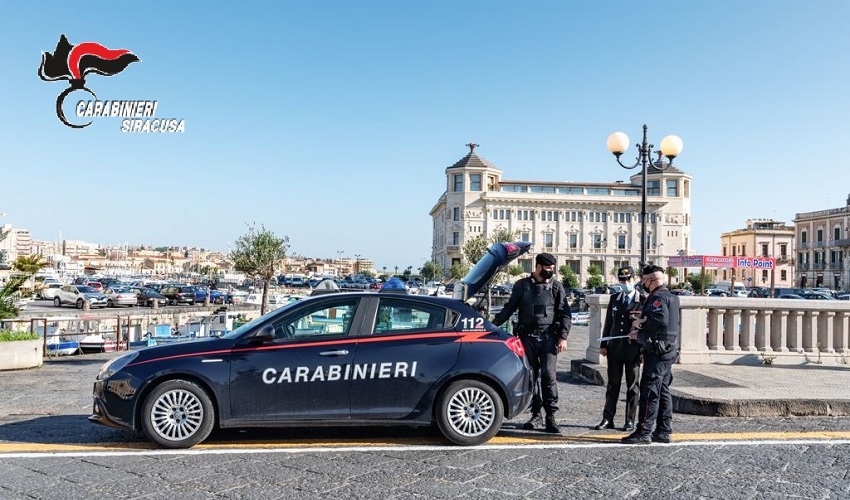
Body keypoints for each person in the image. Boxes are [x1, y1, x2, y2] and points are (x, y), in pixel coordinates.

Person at [492, 252, 572, 434]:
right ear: (537, 267)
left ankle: (551, 416)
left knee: (549, 377)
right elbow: (509, 308)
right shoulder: (522, 286)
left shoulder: (556, 287)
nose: (550, 272)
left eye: (552, 269)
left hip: (548, 338)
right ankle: (536, 414)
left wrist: (563, 337)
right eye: (547, 268)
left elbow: (565, 313)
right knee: (531, 376)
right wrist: (492, 326)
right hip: (527, 337)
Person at [621, 265, 680, 445]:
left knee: (649, 391)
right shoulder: (672, 297)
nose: (642, 284)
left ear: (650, 280)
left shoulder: (657, 298)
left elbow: (659, 320)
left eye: (643, 280)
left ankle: (644, 431)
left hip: (657, 351)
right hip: (669, 349)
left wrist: (639, 327)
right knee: (663, 390)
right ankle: (663, 430)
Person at [595, 266, 642, 432]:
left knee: (632, 386)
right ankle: (608, 418)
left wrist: (642, 349)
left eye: (628, 280)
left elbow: (646, 325)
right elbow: (609, 323)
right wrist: (604, 344)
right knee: (612, 385)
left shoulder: (642, 299)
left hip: (633, 349)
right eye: (622, 280)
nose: (625, 283)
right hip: (615, 348)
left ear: (634, 279)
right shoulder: (615, 298)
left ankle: (629, 420)